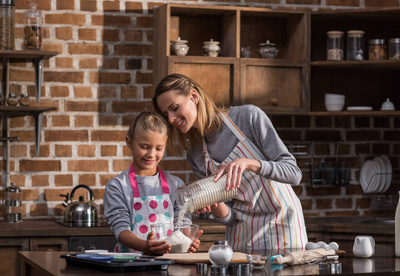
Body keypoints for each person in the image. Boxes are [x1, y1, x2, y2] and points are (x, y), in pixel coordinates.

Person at [152, 74, 308, 253]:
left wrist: (249, 163)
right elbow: (231, 217)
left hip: (282, 229)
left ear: (194, 97)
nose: (171, 118)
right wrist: (215, 204)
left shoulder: (248, 117)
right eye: (166, 114)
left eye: (174, 108)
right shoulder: (196, 155)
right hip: (241, 236)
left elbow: (294, 173)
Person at [103, 111, 203, 255]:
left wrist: (188, 241)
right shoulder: (117, 187)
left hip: (169, 263)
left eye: (159, 148)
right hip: (131, 264)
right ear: (129, 142)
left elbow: (183, 223)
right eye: (144, 147)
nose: (151, 154)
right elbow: (120, 229)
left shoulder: (176, 185)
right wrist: (145, 246)